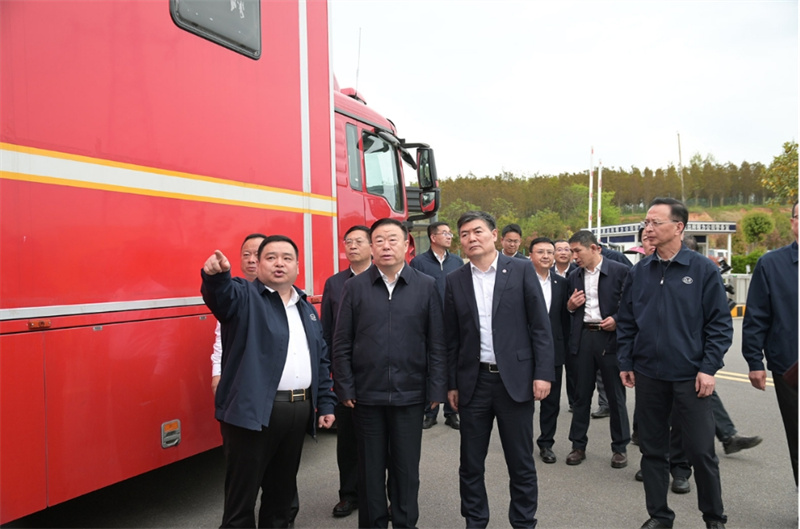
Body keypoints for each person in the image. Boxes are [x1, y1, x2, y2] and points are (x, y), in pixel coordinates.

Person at [201, 235, 336, 528]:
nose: (279, 264)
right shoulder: (244, 297)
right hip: (253, 414)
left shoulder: (306, 307)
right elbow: (220, 297)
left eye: (287, 258)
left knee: (281, 498)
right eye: (271, 257)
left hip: (297, 411)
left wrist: (325, 402)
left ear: (297, 266)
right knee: (241, 500)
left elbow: (320, 358)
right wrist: (216, 278)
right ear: (258, 264)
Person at [617, 197, 731, 529]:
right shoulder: (640, 272)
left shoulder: (703, 270)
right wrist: (626, 360)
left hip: (690, 377)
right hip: (649, 375)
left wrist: (708, 368)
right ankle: (659, 516)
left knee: (701, 452)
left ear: (678, 227)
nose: (648, 228)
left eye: (656, 222)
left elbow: (720, 325)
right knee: (652, 451)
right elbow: (627, 321)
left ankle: (714, 518)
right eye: (646, 222)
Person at [332, 218, 447, 529]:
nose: (386, 245)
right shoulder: (354, 287)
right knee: (370, 471)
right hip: (366, 397)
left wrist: (436, 388)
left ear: (407, 244)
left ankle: (406, 523)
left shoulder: (426, 285)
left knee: (406, 470)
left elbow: (437, 343)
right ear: (371, 246)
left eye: (393, 239)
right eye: (379, 240)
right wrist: (345, 387)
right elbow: (341, 342)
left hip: (410, 395)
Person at [443, 210, 554, 528]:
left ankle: (523, 521)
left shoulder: (521, 269)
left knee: (520, 462)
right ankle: (475, 521)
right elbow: (451, 338)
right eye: (464, 234)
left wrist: (543, 373)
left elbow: (540, 326)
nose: (471, 238)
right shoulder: (455, 280)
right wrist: (452, 383)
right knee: (470, 463)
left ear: (494, 235)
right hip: (473, 382)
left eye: (477, 231)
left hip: (514, 382)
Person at [742, 201, 798, 485]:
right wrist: (754, 361)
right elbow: (756, 316)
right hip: (790, 366)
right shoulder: (771, 264)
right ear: (793, 223)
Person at [565, 230, 631, 469]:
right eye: (572, 251)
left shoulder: (620, 271)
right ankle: (578, 446)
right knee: (581, 395)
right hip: (584, 337)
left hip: (610, 338)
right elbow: (567, 310)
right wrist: (570, 306)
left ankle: (620, 448)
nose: (574, 256)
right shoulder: (574, 275)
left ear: (594, 248)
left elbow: (631, 305)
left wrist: (617, 319)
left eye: (577, 251)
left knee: (615, 396)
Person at [321, 225, 371, 519]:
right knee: (348, 441)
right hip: (345, 374)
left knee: (385, 443)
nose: (352, 246)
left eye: (358, 241)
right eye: (348, 241)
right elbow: (327, 333)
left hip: (377, 375)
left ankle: (386, 495)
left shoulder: (384, 279)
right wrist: (332, 374)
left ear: (372, 246)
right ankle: (349, 495)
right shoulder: (335, 283)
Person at [410, 221, 463, 430]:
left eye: (450, 233)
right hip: (429, 322)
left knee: (452, 365)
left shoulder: (457, 261)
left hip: (453, 322)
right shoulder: (418, 262)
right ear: (433, 237)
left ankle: (452, 412)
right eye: (445, 233)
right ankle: (430, 412)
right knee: (430, 366)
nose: (450, 236)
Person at [529, 237, 571, 464]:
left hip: (554, 349)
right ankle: (523, 443)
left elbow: (564, 319)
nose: (546, 256)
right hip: (524, 350)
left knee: (551, 401)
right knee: (523, 401)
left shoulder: (561, 283)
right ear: (530, 256)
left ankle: (546, 443)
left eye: (549, 252)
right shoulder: (521, 280)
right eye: (540, 252)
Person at [211, 233, 266, 395]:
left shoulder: (284, 295)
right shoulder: (234, 294)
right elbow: (221, 337)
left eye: (257, 254)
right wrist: (217, 372)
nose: (251, 260)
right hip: (242, 377)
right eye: (246, 255)